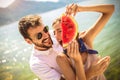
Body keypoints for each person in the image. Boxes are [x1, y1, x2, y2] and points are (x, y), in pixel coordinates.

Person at [52, 3, 114, 80]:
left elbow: (110, 9)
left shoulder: (86, 39)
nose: (56, 36)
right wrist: (91, 72)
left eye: (60, 31)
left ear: (71, 30)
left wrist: (81, 9)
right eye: (54, 33)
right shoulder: (62, 58)